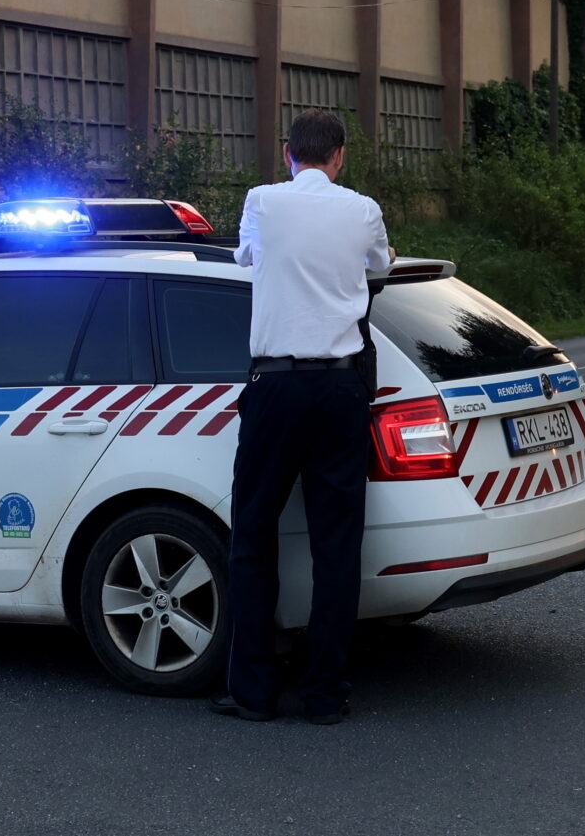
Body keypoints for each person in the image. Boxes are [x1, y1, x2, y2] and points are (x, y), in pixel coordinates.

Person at [212, 108, 393, 725]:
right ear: (340, 156)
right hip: (341, 391)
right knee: (336, 546)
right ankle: (326, 694)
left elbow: (243, 261)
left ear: (286, 152)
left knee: (254, 536)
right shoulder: (364, 210)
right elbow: (380, 271)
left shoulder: (261, 201)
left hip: (276, 386)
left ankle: (254, 693)